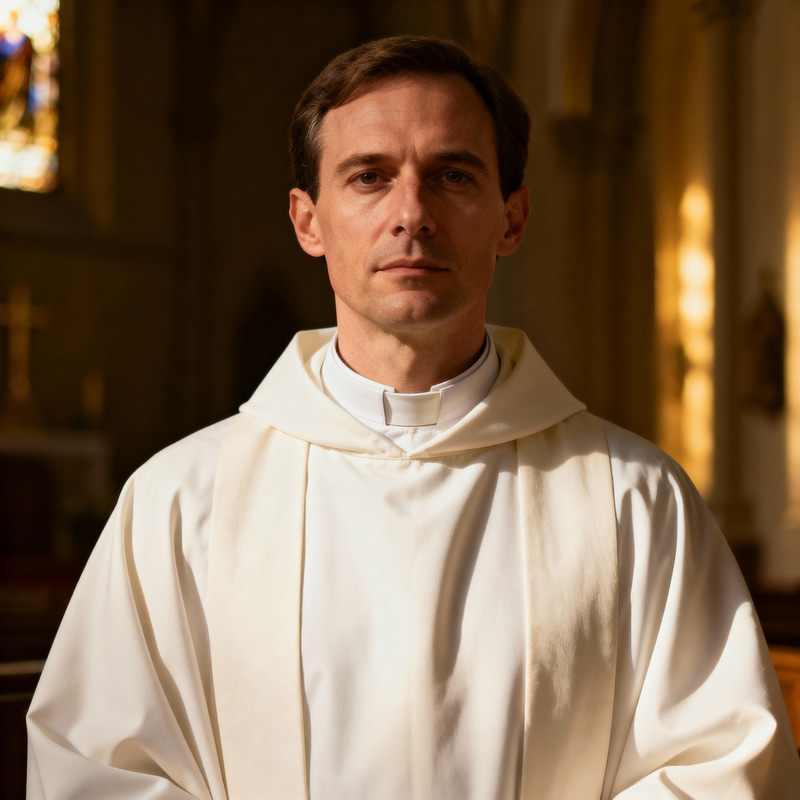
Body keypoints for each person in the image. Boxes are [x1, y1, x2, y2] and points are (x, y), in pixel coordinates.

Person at [26, 35, 800, 799]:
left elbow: (723, 768)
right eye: (368, 177)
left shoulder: (635, 500)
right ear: (307, 221)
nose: (412, 213)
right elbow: (98, 770)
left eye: (453, 176)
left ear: (512, 218)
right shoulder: (180, 501)